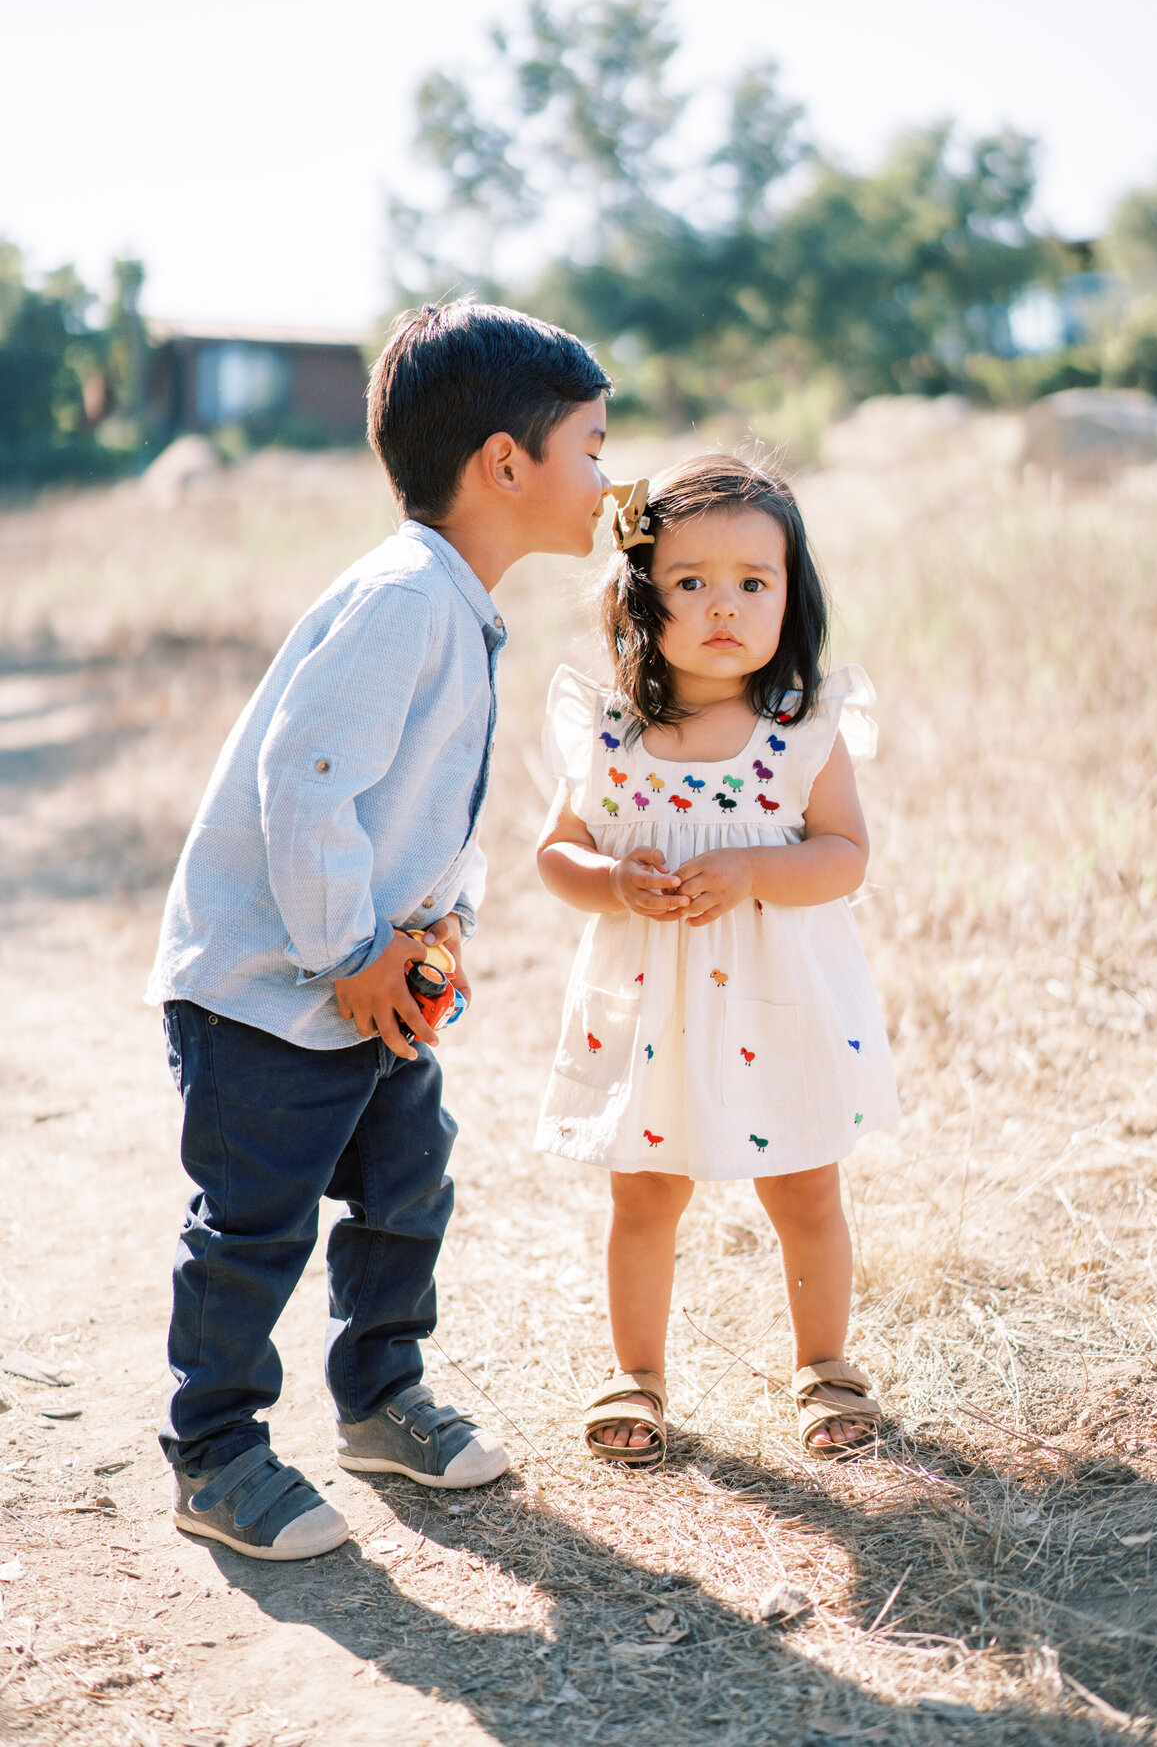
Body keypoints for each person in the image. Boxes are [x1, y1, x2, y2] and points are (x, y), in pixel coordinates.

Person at [148, 300, 612, 1558]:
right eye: (593, 444)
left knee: (407, 1184)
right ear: (506, 464)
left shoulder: (459, 603)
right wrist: (351, 951)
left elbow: (427, 794)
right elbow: (305, 779)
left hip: (372, 972)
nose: (607, 476)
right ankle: (218, 1451)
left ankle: (382, 1396)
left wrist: (440, 923)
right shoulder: (408, 596)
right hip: (270, 986)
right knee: (256, 1223)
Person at [534, 454, 900, 1466]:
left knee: (804, 1185)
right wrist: (608, 881)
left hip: (777, 997)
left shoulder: (800, 732)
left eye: (754, 581)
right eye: (690, 581)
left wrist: (752, 866)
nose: (724, 604)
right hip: (653, 1004)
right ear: (639, 594)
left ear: (794, 593)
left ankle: (824, 1365)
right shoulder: (614, 735)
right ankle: (636, 1373)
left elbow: (845, 858)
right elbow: (554, 854)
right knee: (644, 1191)